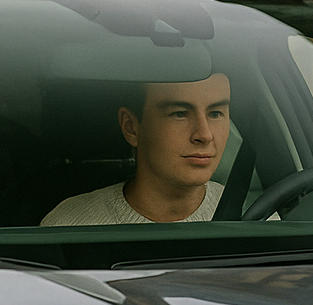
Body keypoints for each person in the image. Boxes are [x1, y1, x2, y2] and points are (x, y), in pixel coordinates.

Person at [42, 73, 232, 225]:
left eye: (215, 114)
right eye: (179, 114)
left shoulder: (248, 214)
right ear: (131, 127)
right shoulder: (69, 227)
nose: (205, 135)